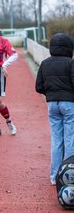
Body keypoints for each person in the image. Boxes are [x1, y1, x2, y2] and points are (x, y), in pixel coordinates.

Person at [35, 33, 74, 185]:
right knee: (70, 139)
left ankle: (54, 176)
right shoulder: (70, 63)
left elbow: (38, 87)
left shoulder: (45, 63)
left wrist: (50, 94)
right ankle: (69, 176)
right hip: (69, 104)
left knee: (57, 140)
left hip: (52, 105)